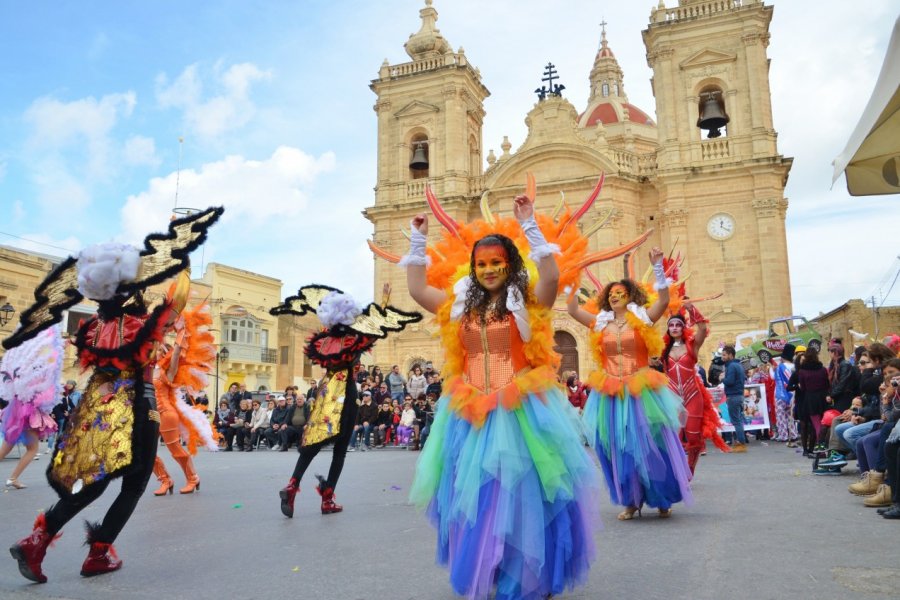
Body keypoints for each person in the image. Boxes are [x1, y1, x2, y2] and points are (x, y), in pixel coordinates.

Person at [7, 206, 222, 583]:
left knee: (97, 479)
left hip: (99, 409)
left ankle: (38, 538)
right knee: (135, 483)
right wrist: (181, 262)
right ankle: (99, 552)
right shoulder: (140, 326)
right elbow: (176, 304)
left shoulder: (91, 327)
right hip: (139, 405)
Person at [402, 190, 599, 600]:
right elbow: (419, 291)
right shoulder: (460, 307)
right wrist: (418, 241)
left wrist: (529, 224)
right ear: (472, 269)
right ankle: (489, 570)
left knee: (525, 495)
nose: (489, 270)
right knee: (477, 498)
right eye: (481, 264)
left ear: (509, 265)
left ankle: (528, 576)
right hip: (470, 411)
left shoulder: (526, 304)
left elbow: (549, 277)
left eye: (496, 263)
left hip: (521, 409)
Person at [273, 286, 421, 518]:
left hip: (326, 390)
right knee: (340, 450)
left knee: (312, 443)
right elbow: (375, 328)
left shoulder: (325, 339)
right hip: (346, 391)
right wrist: (383, 302)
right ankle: (327, 498)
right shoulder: (354, 340)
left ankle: (292, 485)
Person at [568, 248, 693, 519]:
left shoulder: (643, 319)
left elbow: (662, 299)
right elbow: (573, 310)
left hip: (641, 390)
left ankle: (662, 497)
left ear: (630, 297)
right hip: (611, 393)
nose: (614, 297)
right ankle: (630, 500)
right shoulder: (601, 323)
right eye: (611, 295)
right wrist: (570, 280)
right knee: (616, 447)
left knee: (653, 443)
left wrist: (658, 268)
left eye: (619, 294)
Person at [151, 282, 218, 496]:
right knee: (144, 451)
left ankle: (193, 477)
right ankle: (165, 479)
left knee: (175, 450)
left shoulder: (167, 373)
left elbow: (178, 353)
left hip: (166, 414)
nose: (160, 350)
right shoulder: (149, 370)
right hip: (149, 414)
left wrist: (180, 335)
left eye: (163, 350)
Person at [661, 302, 729, 475]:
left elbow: (703, 330)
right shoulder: (663, 349)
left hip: (692, 396)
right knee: (674, 438)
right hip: (672, 398)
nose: (674, 328)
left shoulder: (692, 345)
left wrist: (692, 310)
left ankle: (689, 468)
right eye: (671, 325)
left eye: (678, 325)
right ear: (668, 329)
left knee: (693, 436)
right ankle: (676, 470)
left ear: (683, 328)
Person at [0, 327, 64, 489]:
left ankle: (13, 478)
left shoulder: (20, 371)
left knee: (7, 447)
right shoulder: (34, 376)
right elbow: (41, 393)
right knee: (32, 449)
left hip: (16, 413)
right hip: (28, 415)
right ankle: (13, 478)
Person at [791, 348, 829, 460]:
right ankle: (823, 446)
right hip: (822, 397)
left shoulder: (802, 371)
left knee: (816, 424)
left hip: (810, 398)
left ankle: (821, 448)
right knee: (824, 423)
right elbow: (827, 384)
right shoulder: (822, 369)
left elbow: (803, 387)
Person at [721, 346, 749, 452]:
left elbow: (730, 381)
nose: (722, 357)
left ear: (730, 355)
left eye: (724, 355)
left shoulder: (732, 366)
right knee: (739, 420)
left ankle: (741, 444)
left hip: (733, 396)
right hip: (739, 395)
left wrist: (722, 378)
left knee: (736, 421)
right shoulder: (738, 365)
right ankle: (741, 442)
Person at [773, 344, 799, 445]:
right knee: (790, 416)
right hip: (792, 395)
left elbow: (773, 378)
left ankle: (783, 435)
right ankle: (793, 434)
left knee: (781, 416)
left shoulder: (780, 367)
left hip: (780, 394)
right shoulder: (795, 367)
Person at [47, 380, 80, 455]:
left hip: (63, 417)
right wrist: (51, 413)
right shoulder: (53, 397)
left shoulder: (68, 397)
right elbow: (49, 406)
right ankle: (49, 448)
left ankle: (58, 447)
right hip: (54, 418)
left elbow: (74, 406)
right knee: (52, 433)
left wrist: (69, 412)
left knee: (61, 432)